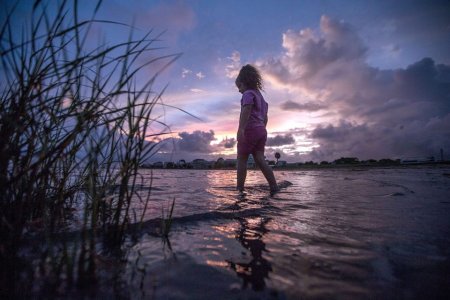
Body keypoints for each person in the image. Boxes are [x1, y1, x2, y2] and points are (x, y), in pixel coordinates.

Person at [235, 64, 278, 194]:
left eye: (240, 86)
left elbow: (246, 110)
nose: (239, 90)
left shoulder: (248, 94)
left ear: (245, 83)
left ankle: (240, 189)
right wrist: (261, 129)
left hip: (250, 130)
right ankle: (274, 186)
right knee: (260, 159)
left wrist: (241, 129)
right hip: (261, 131)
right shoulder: (262, 99)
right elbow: (265, 118)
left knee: (241, 158)